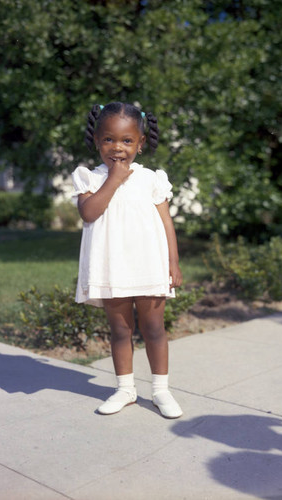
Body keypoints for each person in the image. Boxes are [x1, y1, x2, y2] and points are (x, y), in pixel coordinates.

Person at [72, 102, 183, 419]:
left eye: (126, 141)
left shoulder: (151, 179)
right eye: (108, 139)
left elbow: (166, 223)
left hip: (149, 264)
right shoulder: (90, 178)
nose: (117, 148)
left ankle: (161, 391)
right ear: (96, 140)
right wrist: (114, 179)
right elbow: (89, 213)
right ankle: (125, 389)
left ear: (141, 143)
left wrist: (173, 263)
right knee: (120, 331)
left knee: (154, 329)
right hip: (112, 266)